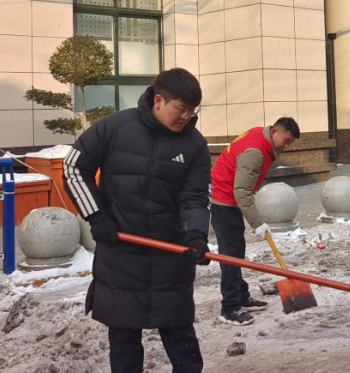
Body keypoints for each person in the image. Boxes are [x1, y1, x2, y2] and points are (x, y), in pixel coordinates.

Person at [63, 68, 211, 373]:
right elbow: (74, 167)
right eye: (181, 109)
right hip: (121, 254)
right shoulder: (115, 128)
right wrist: (97, 216)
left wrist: (196, 234)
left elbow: (195, 196)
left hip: (170, 255)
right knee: (124, 342)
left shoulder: (194, 144)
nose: (186, 117)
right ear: (158, 101)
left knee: (181, 338)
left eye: (192, 111)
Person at [210, 117, 300, 326]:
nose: (286, 146)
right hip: (224, 201)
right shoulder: (256, 152)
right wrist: (257, 223)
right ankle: (229, 308)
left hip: (228, 198)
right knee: (230, 257)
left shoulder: (261, 135)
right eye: (286, 140)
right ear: (274, 131)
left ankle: (241, 296)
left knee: (237, 251)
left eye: (290, 143)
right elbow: (241, 191)